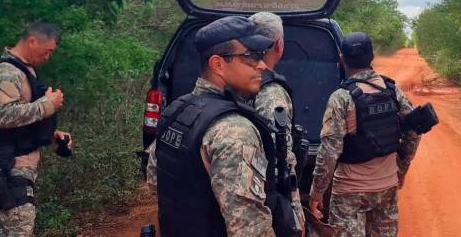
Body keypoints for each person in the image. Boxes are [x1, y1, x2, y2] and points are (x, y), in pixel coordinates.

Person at [150, 16, 301, 237]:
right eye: (250, 57)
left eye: (260, 56)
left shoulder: (175, 112)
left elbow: (156, 181)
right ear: (218, 65)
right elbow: (249, 228)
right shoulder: (234, 130)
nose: (261, 65)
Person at [308, 32, 421, 237]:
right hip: (386, 188)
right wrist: (401, 169)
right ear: (372, 56)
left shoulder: (341, 98)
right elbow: (415, 129)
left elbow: (329, 151)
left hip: (348, 193)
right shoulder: (392, 91)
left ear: (342, 58)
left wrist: (317, 192)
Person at [0, 22, 73, 237]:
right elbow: (3, 116)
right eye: (48, 51)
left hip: (14, 164)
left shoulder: (23, 70)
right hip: (7, 165)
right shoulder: (5, 73)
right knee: (20, 227)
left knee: (1, 230)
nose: (48, 57)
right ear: (32, 41)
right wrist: (48, 104)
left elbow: (21, 119)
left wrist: (50, 135)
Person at [249, 12, 305, 231]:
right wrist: (293, 211)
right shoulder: (272, 92)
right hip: (269, 193)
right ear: (279, 45)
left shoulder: (233, 80)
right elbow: (280, 158)